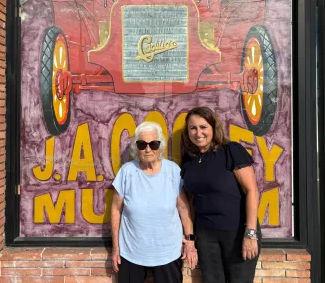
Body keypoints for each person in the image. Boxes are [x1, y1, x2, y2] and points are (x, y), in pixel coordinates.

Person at [181, 107, 261, 283]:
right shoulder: (189, 159)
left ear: (213, 127)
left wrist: (250, 233)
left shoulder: (231, 150)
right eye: (192, 128)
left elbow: (252, 191)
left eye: (203, 127)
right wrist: (190, 238)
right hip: (206, 235)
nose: (198, 133)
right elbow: (189, 200)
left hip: (237, 232)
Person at [111, 121, 198, 283]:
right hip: (131, 252)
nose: (148, 149)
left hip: (168, 252)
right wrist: (116, 248)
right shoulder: (127, 171)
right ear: (136, 148)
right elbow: (116, 210)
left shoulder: (172, 171)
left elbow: (184, 209)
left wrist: (191, 243)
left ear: (161, 146)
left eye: (154, 144)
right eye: (142, 144)